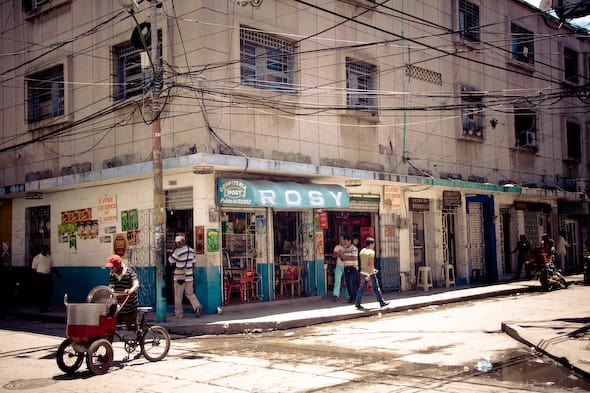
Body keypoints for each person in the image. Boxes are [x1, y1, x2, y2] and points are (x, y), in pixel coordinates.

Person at [168, 235, 202, 318]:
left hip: (179, 276)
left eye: (177, 243)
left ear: (178, 243)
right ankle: (197, 306)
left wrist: (173, 251)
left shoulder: (177, 251)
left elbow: (170, 260)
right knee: (190, 293)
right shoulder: (191, 250)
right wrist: (191, 272)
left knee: (178, 296)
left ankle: (179, 313)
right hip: (189, 276)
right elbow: (194, 262)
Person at [105, 254, 139, 331]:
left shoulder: (129, 272)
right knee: (111, 326)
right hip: (118, 306)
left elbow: (136, 284)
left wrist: (131, 290)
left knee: (132, 328)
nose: (111, 269)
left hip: (129, 306)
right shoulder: (112, 274)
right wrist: (111, 289)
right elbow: (111, 285)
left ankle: (139, 339)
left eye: (113, 267)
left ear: (119, 265)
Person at [355, 237, 389, 310]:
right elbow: (370, 263)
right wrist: (370, 273)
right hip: (369, 273)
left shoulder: (362, 251)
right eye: (373, 244)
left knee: (361, 289)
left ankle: (357, 303)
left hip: (362, 272)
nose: (374, 246)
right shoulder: (371, 252)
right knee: (376, 288)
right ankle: (381, 302)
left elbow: (363, 263)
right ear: (371, 244)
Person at [31, 244, 54, 312]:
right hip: (40, 277)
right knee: (41, 292)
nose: (46, 250)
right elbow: (33, 270)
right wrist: (34, 280)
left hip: (48, 277)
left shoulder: (49, 257)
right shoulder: (36, 258)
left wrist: (58, 274)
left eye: (47, 249)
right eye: (44, 249)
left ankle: (45, 307)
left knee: (48, 292)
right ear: (41, 249)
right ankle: (41, 307)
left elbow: (52, 267)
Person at [341, 235, 359, 304]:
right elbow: (342, 258)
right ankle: (352, 297)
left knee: (352, 283)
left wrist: (344, 256)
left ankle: (355, 297)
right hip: (346, 267)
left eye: (346, 241)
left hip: (353, 267)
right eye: (344, 241)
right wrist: (342, 256)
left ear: (349, 241)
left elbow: (354, 258)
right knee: (348, 283)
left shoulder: (354, 248)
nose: (345, 243)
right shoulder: (344, 248)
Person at [332, 236, 348, 301]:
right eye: (340, 239)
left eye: (342, 239)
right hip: (339, 266)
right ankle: (336, 295)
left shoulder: (347, 247)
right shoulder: (337, 247)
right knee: (337, 280)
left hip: (346, 266)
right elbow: (333, 255)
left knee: (347, 281)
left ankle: (348, 295)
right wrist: (339, 254)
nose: (340, 241)